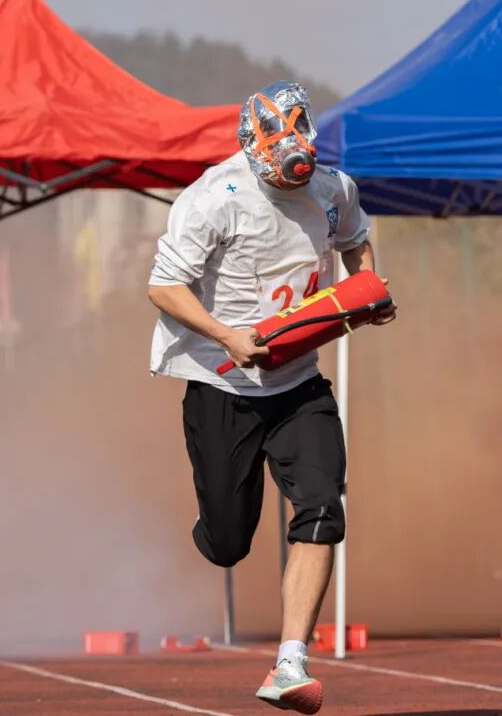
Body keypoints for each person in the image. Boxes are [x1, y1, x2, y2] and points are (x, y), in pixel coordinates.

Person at [147, 80, 395, 713]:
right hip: (221, 384)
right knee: (230, 543)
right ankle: (215, 524)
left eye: (297, 174)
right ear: (254, 156)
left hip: (298, 382)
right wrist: (229, 335)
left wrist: (364, 289)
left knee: (322, 509)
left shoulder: (334, 189)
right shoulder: (213, 197)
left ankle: (290, 663)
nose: (291, 183)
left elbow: (355, 238)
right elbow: (164, 286)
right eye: (278, 176)